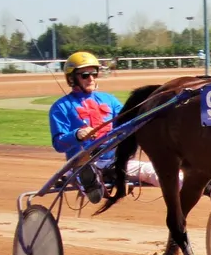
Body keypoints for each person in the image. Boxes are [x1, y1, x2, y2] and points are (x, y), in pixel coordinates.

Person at [49, 51, 162, 203]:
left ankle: (193, 187)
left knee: (156, 171)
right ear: (72, 78)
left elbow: (126, 124)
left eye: (94, 73)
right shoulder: (60, 107)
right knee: (85, 171)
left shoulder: (109, 100)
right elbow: (59, 144)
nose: (91, 78)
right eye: (84, 75)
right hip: (82, 162)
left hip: (115, 161)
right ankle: (89, 180)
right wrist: (77, 134)